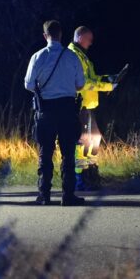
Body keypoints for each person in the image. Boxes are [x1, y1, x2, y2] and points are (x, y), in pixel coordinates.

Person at [24, 20, 86, 206]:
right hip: (67, 110)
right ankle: (68, 195)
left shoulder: (38, 57)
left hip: (46, 111)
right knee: (68, 154)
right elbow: (80, 84)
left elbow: (28, 84)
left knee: (45, 153)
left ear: (45, 36)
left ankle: (44, 194)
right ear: (61, 35)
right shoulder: (72, 57)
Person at [68, 26, 118, 190]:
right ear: (80, 36)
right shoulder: (74, 55)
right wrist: (107, 87)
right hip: (80, 105)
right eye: (89, 38)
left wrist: (107, 78)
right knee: (83, 142)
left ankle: (90, 173)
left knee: (94, 138)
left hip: (88, 105)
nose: (91, 42)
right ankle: (79, 178)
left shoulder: (82, 55)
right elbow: (84, 83)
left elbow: (92, 78)